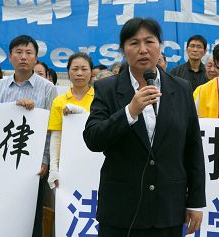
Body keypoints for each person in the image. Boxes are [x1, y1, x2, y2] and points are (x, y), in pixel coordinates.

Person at [83, 18, 205, 237]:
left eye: (149, 42)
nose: (143, 50)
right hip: (121, 211)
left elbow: (193, 147)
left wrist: (195, 202)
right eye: (134, 43)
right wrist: (130, 111)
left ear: (160, 46)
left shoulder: (181, 88)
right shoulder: (107, 88)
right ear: (122, 49)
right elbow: (93, 138)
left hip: (168, 209)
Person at [0, 35, 57, 237]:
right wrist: (12, 108)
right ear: (10, 57)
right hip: (1, 161)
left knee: (31, 214)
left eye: (29, 53)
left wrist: (45, 161)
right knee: (0, 209)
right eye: (18, 52)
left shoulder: (48, 88)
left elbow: (51, 129)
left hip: (33, 165)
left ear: (36, 58)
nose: (23, 57)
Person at [47, 52, 95, 189]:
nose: (79, 73)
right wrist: (54, 169)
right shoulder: (58, 101)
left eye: (84, 69)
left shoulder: (100, 97)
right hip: (66, 163)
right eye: (75, 69)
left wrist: (80, 113)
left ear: (91, 72)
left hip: (93, 160)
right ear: (68, 73)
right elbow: (56, 137)